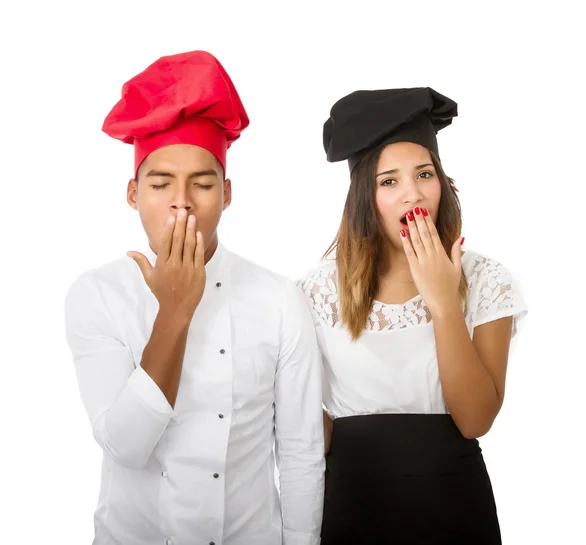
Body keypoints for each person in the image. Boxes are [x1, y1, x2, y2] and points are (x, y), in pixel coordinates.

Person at [64, 50, 325, 545]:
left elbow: (300, 452)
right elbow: (125, 446)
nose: (182, 201)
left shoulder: (279, 300)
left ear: (227, 193)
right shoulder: (96, 294)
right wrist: (175, 313)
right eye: (160, 184)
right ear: (132, 194)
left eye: (202, 184)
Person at [297, 87, 527, 544]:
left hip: (455, 505)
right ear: (365, 195)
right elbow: (307, 425)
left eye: (424, 174)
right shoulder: (318, 290)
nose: (412, 194)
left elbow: (475, 419)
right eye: (389, 181)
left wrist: (443, 302)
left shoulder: (485, 278)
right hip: (350, 503)